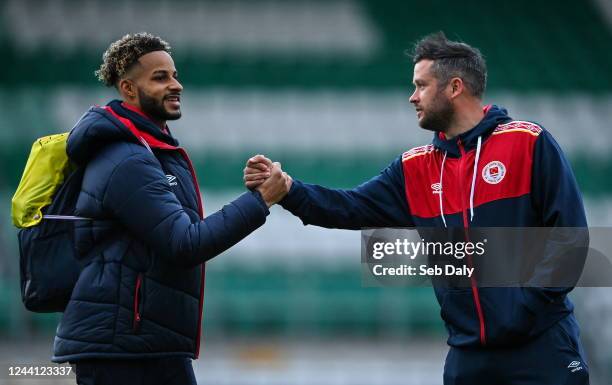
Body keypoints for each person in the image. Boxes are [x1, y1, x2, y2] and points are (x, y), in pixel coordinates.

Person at [244, 32, 590, 384]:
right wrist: (288, 189)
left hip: (541, 346)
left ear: (454, 87)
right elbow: (346, 207)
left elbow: (572, 241)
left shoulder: (528, 143)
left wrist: (524, 310)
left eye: (421, 86)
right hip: (469, 357)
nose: (412, 97)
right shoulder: (413, 168)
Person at [51, 33, 289, 384]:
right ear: (129, 89)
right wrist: (260, 201)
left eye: (175, 75)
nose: (176, 85)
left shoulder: (148, 149)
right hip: (123, 352)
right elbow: (185, 242)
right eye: (160, 78)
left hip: (146, 344)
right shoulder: (126, 158)